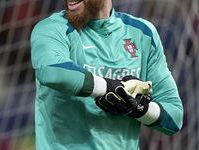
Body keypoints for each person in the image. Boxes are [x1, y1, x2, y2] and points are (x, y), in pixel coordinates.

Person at [30, 0, 183, 149]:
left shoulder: (143, 34)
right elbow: (52, 72)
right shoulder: (52, 28)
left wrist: (139, 108)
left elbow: (175, 117)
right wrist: (110, 87)